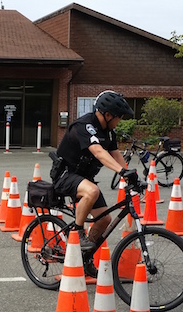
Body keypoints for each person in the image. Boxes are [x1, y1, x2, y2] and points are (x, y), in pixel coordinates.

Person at [52, 90, 137, 254]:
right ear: (108, 115)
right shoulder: (84, 126)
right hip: (66, 175)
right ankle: (75, 233)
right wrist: (121, 172)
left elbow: (115, 153)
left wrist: (132, 175)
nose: (120, 121)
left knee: (104, 219)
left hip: (84, 178)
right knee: (92, 191)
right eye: (119, 117)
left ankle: (84, 256)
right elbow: (98, 152)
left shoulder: (108, 132)